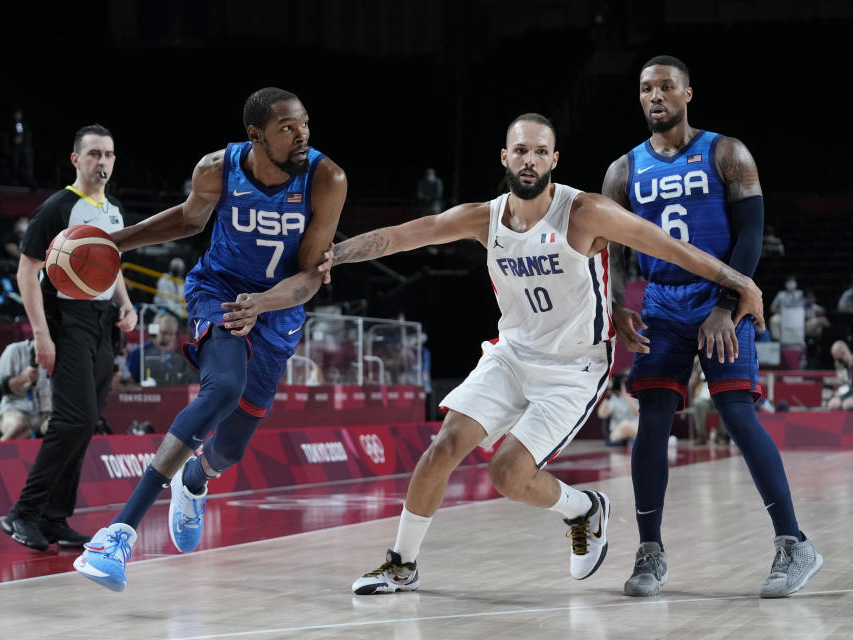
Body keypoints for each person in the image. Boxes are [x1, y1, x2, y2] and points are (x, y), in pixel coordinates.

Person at [327, 112, 765, 596]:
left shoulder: (584, 212)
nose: (530, 160)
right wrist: (336, 254)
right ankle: (401, 564)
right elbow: (409, 234)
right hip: (512, 355)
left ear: (554, 159)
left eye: (540, 152)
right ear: (505, 157)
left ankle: (583, 509)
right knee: (442, 449)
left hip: (573, 368)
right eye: (521, 151)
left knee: (507, 474)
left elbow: (666, 245)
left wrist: (738, 281)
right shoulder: (484, 217)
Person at [73, 87, 345, 592]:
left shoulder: (326, 179)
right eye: (288, 127)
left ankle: (194, 481)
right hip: (218, 290)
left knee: (232, 450)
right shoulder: (218, 168)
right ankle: (117, 534)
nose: (302, 134)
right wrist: (113, 244)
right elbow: (186, 219)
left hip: (277, 309)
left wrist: (263, 304)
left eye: (305, 123)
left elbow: (310, 277)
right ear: (256, 135)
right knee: (221, 388)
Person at [604, 55, 822, 600]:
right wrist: (616, 304)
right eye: (646, 88)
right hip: (659, 303)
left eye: (666, 87)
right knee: (652, 419)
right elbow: (606, 250)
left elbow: (751, 234)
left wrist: (727, 303)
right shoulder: (622, 170)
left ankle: (794, 543)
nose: (656, 96)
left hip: (719, 297)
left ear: (688, 94)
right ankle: (650, 551)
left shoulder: (727, 152)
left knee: (736, 414)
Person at [1, 124, 138, 552]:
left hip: (102, 321)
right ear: (76, 160)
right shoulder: (58, 208)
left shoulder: (114, 211)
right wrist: (41, 333)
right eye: (94, 154)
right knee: (72, 419)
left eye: (109, 154)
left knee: (87, 422)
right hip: (66, 318)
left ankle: (55, 517)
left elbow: (110, 267)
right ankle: (23, 513)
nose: (103, 161)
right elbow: (26, 271)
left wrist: (127, 305)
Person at [0, 338, 51, 440]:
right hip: (15, 409)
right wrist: (24, 378)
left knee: (61, 427)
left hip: (45, 413)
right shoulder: (14, 350)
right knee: (18, 427)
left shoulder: (56, 355)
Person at [123, 312, 198, 385]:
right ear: (153, 331)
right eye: (164, 333)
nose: (168, 338)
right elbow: (128, 382)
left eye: (172, 334)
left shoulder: (178, 357)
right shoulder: (138, 353)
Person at [688, 356, 728, 445]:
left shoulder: (722, 360)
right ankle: (702, 436)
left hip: (719, 395)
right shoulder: (699, 361)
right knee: (698, 403)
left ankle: (720, 435)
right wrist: (698, 370)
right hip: (703, 396)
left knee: (727, 404)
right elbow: (692, 383)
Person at [597, 373, 639, 444]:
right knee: (625, 425)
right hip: (618, 430)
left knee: (629, 426)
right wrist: (608, 395)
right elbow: (602, 415)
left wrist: (626, 396)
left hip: (635, 428)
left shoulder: (636, 396)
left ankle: (633, 442)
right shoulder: (612, 398)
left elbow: (638, 412)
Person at [826, 340, 853, 410]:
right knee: (833, 404)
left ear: (843, 353)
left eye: (836, 356)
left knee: (847, 405)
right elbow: (843, 383)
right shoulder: (840, 364)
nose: (835, 359)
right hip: (847, 393)